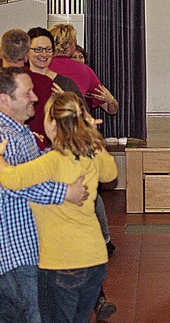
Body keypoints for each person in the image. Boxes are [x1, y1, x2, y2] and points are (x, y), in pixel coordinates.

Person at [0, 90, 116, 323]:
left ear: (52, 124)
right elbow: (110, 172)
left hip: (61, 262)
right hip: (94, 259)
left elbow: (12, 179)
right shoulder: (90, 155)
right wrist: (91, 132)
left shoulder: (52, 161)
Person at [48, 24, 119, 115]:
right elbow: (111, 109)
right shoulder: (84, 70)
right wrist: (112, 100)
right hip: (74, 123)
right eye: (75, 42)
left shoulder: (40, 66)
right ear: (69, 47)